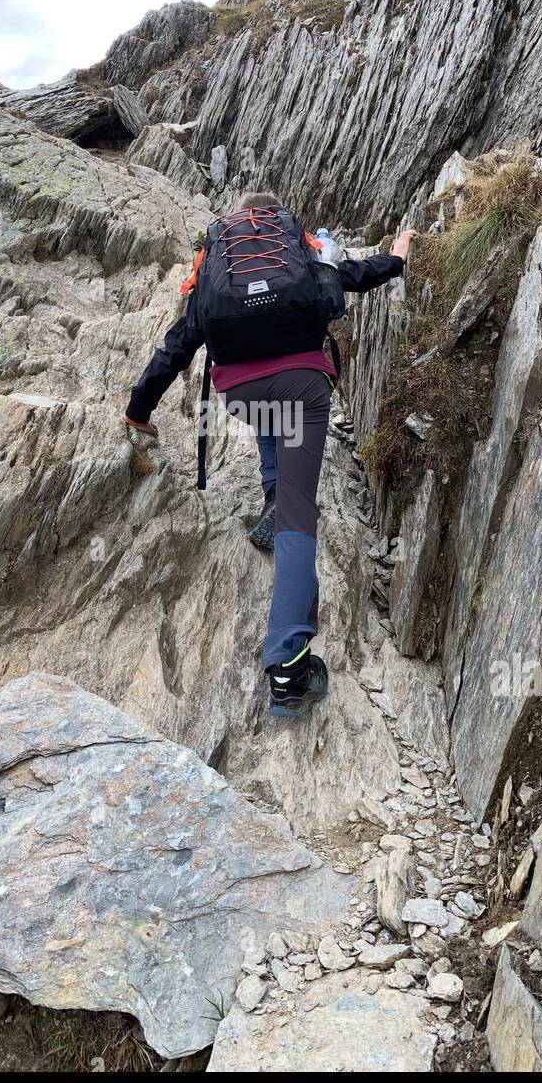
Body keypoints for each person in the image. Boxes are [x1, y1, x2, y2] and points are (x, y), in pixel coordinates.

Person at [124, 192, 414, 718]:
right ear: (277, 222)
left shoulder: (220, 264)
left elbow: (179, 344)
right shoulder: (296, 248)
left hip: (240, 393)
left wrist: (138, 410)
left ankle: (272, 485)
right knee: (298, 520)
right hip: (303, 387)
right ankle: (289, 670)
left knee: (265, 412)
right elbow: (350, 275)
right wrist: (396, 256)